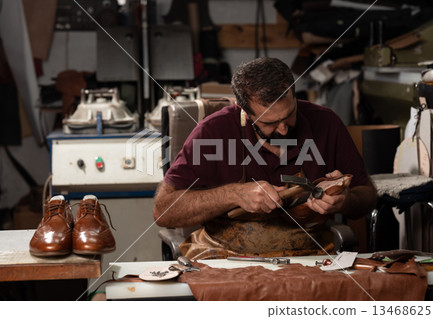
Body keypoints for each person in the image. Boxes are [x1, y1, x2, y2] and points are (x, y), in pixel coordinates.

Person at [154, 57, 377, 259]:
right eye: (268, 122)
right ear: (242, 109)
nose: (282, 129)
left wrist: (345, 200)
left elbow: (367, 196)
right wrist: (234, 194)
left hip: (309, 256)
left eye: (289, 115)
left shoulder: (326, 123)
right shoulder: (213, 131)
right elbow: (163, 211)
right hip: (226, 256)